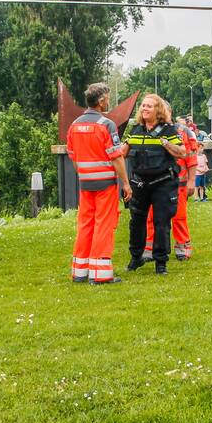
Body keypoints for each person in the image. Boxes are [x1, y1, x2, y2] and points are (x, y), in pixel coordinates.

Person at [65, 83, 131, 285]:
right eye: (107, 98)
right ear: (101, 101)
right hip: (105, 184)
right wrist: (126, 184)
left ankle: (80, 272)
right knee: (104, 224)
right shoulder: (106, 125)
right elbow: (116, 157)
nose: (109, 101)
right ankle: (100, 273)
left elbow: (73, 156)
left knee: (85, 224)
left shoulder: (74, 125)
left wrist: (85, 174)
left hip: (86, 183)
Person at [122, 93, 186, 275]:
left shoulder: (168, 130)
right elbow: (122, 153)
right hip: (140, 184)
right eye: (143, 105)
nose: (144, 108)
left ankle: (161, 262)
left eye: (149, 106)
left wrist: (166, 145)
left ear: (158, 110)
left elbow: (182, 152)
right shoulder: (135, 130)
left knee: (161, 223)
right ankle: (136, 258)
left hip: (163, 183)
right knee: (136, 222)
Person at [143, 113, 198, 261]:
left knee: (179, 215)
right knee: (151, 216)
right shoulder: (149, 131)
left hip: (178, 182)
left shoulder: (184, 131)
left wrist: (192, 181)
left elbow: (191, 157)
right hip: (155, 183)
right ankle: (150, 247)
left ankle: (182, 245)